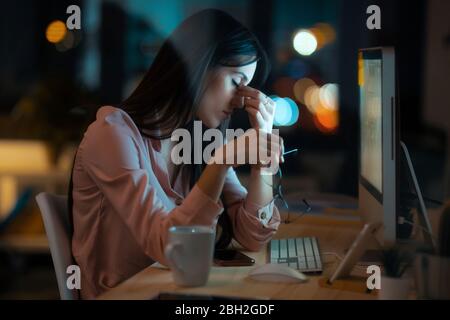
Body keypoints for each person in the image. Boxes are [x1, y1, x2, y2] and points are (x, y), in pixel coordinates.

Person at [70, 9, 283, 299]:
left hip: (177, 293)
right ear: (198, 64)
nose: (240, 101)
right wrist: (221, 163)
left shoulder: (201, 140)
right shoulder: (113, 134)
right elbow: (170, 246)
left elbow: (252, 236)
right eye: (236, 82)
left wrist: (263, 157)